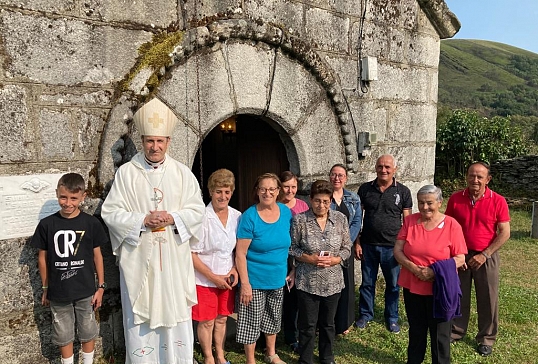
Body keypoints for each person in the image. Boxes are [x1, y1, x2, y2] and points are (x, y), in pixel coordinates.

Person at [101, 98, 205, 364]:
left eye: (160, 141)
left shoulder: (183, 174)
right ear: (144, 140)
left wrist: (174, 217)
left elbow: (197, 212)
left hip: (172, 260)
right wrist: (142, 221)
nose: (155, 147)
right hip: (140, 262)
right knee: (141, 317)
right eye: (150, 141)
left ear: (168, 142)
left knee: (174, 314)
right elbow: (110, 213)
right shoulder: (126, 174)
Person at [32, 173, 106, 364]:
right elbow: (43, 259)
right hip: (58, 292)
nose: (67, 203)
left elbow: (97, 256)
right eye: (63, 197)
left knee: (88, 329)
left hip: (86, 290)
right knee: (63, 332)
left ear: (83, 196)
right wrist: (46, 288)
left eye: (73, 198)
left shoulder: (91, 223)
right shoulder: (47, 224)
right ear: (57, 193)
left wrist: (101, 287)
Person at [393, 185, 467, 364]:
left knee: (440, 334)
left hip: (441, 289)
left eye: (429, 203)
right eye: (421, 203)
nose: (425, 207)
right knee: (416, 330)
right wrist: (415, 269)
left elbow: (460, 258)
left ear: (440, 203)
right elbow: (398, 251)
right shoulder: (410, 221)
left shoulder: (451, 225)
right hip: (413, 286)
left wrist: (434, 271)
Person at [445, 162, 510, 357]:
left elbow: (505, 232)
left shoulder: (498, 201)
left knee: (488, 298)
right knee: (459, 295)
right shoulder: (456, 199)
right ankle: (457, 331)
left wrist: (485, 254)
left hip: (486, 256)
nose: (475, 180)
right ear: (466, 176)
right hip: (461, 256)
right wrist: (457, 254)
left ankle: (486, 338)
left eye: (480, 177)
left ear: (487, 179)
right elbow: (449, 227)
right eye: (472, 175)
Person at [290, 180, 351, 364]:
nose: (321, 205)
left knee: (328, 324)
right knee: (307, 325)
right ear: (310, 199)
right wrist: (309, 258)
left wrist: (336, 259)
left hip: (333, 281)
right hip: (307, 281)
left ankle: (327, 357)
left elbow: (347, 246)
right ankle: (305, 359)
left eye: (325, 201)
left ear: (331, 200)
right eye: (317, 201)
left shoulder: (340, 219)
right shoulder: (300, 220)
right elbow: (291, 248)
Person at [235, 173, 293, 364]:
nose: (267, 193)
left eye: (271, 189)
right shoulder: (250, 216)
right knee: (251, 321)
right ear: (257, 191)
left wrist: (292, 270)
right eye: (263, 189)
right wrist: (245, 284)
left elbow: (290, 245)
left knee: (273, 317)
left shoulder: (285, 213)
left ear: (278, 191)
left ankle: (271, 353)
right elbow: (241, 254)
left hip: (277, 278)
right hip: (255, 280)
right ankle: (250, 360)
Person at [355, 154, 412, 333]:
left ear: (395, 169)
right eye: (380, 166)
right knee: (367, 283)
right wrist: (357, 242)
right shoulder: (365, 189)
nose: (383, 170)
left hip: (393, 247)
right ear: (375, 168)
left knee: (393, 285)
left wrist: (404, 247)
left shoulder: (403, 191)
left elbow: (408, 221)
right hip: (368, 245)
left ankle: (392, 317)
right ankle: (365, 314)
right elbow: (357, 219)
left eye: (387, 167)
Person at [190, 169, 241, 364]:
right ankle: (208, 357)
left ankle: (220, 354)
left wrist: (235, 270)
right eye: (219, 191)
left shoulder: (237, 216)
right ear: (211, 192)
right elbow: (192, 254)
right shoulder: (201, 216)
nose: (223, 196)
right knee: (207, 321)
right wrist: (213, 277)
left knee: (221, 319)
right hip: (204, 279)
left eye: (227, 192)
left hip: (227, 278)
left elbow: (239, 250)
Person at [328, 164, 362, 335]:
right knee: (329, 285)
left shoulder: (354, 198)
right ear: (329, 177)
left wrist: (347, 242)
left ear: (346, 178)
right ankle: (328, 321)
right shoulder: (325, 198)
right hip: (328, 248)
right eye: (334, 174)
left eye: (340, 175)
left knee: (347, 286)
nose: (337, 178)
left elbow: (356, 222)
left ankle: (344, 323)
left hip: (345, 248)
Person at [279, 171, 309, 352]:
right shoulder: (275, 205)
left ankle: (292, 335)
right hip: (279, 255)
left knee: (293, 299)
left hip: (297, 255)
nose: (290, 190)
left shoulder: (303, 205)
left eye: (293, 187)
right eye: (286, 186)